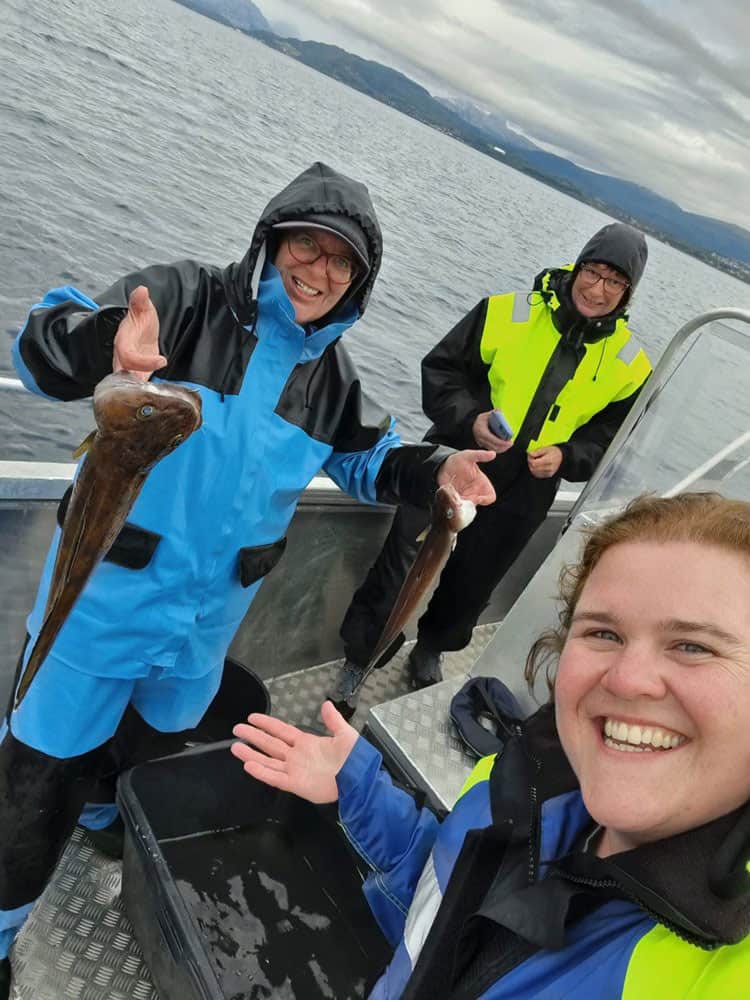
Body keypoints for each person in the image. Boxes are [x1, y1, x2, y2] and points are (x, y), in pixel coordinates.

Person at [0, 161, 497, 996]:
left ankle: (99, 817)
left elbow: (372, 459)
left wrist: (440, 469)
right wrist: (105, 349)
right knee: (31, 780)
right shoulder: (184, 300)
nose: (318, 270)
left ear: (358, 287)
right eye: (307, 244)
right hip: (100, 603)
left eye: (343, 263)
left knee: (147, 743)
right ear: (271, 240)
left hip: (203, 627)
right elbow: (45, 338)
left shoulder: (331, 381)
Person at [233, 492, 750, 997]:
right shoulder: (519, 776)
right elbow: (449, 908)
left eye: (693, 646)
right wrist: (362, 788)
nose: (627, 679)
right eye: (604, 634)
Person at [332, 222, 653, 717]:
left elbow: (614, 435)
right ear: (577, 267)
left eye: (615, 282)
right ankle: (361, 657)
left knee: (475, 580)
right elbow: (440, 370)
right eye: (593, 272)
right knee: (401, 567)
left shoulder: (631, 364)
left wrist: (568, 457)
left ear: (628, 293)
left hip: (526, 489)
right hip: (456, 464)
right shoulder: (507, 312)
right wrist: (470, 419)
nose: (598, 289)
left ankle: (432, 648)